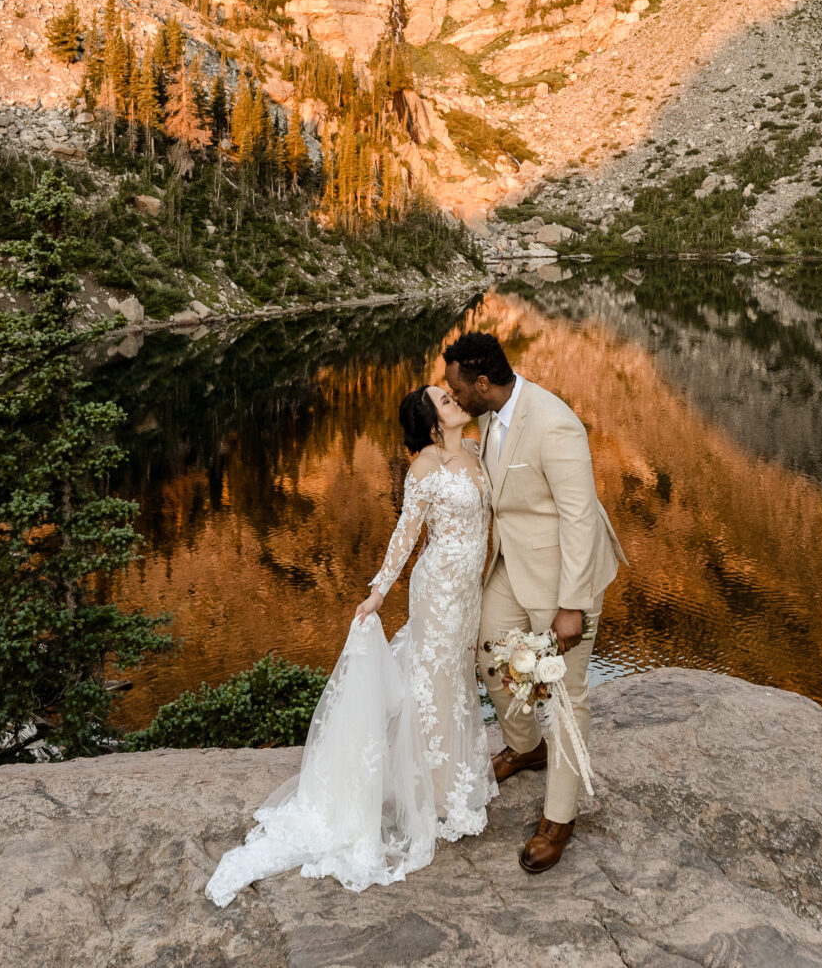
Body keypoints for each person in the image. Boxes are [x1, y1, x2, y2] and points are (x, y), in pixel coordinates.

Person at [205, 382, 495, 905]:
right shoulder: (426, 467)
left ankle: (451, 776)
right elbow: (405, 536)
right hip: (440, 591)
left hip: (469, 589)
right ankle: (427, 791)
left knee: (453, 678)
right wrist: (378, 594)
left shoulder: (474, 450)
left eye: (451, 395)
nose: (454, 399)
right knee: (433, 683)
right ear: (432, 424)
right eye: (445, 400)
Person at [441, 329, 627, 875]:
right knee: (487, 657)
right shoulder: (489, 414)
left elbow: (579, 517)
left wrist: (574, 604)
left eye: (454, 386)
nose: (449, 394)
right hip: (511, 564)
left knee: (566, 697)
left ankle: (559, 818)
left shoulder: (555, 423)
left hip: (564, 576)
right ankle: (525, 747)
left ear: (481, 382)